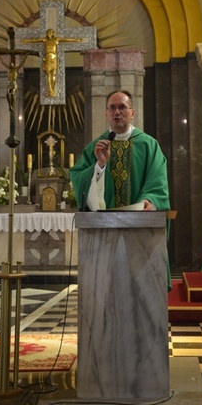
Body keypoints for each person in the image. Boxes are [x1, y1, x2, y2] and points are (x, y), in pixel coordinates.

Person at [70, 90, 171, 286]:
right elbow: (78, 177)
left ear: (132, 113)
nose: (117, 112)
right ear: (106, 114)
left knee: (141, 289)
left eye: (122, 107)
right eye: (112, 108)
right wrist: (99, 166)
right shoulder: (96, 147)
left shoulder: (149, 145)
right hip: (105, 235)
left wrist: (148, 201)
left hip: (139, 229)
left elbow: (157, 181)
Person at [22, 28, 82, 97]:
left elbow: (67, 39)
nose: (48, 34)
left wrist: (77, 40)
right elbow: (35, 40)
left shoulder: (56, 40)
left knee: (53, 74)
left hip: (54, 59)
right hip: (47, 59)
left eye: (50, 33)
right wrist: (25, 41)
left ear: (52, 34)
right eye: (47, 33)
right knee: (48, 74)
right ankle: (50, 89)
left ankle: (52, 89)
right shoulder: (45, 40)